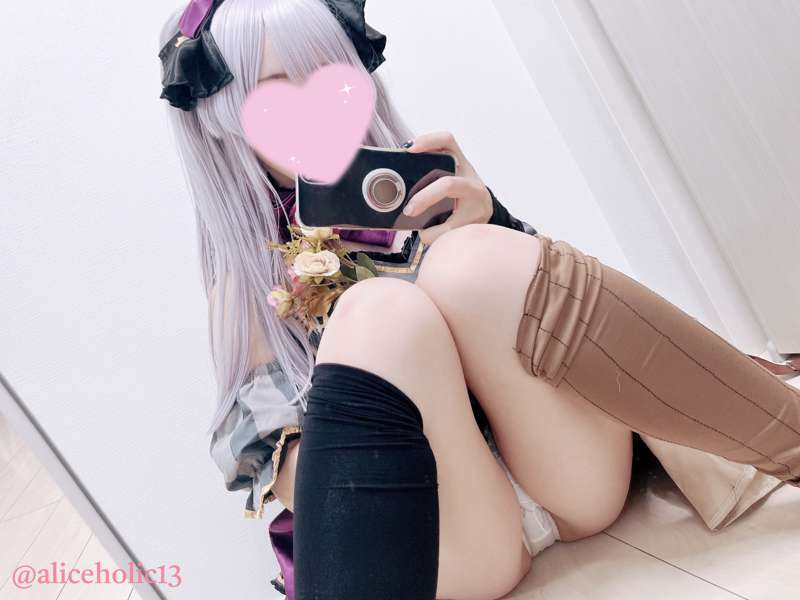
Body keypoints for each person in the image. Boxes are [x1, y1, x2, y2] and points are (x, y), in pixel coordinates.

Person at [158, 1, 800, 598]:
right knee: (380, 313)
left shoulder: (422, 186)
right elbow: (267, 449)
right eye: (276, 90)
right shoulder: (250, 275)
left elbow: (564, 338)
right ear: (225, 117)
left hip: (568, 478)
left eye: (330, 71)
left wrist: (495, 222)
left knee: (470, 261)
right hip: (444, 530)